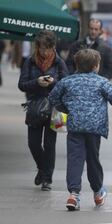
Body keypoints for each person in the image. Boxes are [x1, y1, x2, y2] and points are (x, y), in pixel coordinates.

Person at [49, 49, 112, 211]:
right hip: (94, 128)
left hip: (75, 125)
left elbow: (53, 98)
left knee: (75, 159)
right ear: (96, 66)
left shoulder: (67, 82)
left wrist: (68, 109)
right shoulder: (102, 82)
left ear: (76, 64)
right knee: (93, 160)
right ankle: (98, 192)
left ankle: (74, 195)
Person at [18, 30, 68, 191]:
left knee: (50, 144)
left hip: (57, 109)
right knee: (33, 143)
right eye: (41, 48)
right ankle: (42, 168)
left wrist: (53, 82)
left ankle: (47, 179)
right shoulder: (29, 62)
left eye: (47, 48)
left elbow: (66, 85)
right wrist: (36, 82)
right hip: (35, 107)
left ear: (53, 47)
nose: (44, 52)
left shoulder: (60, 63)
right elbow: (22, 84)